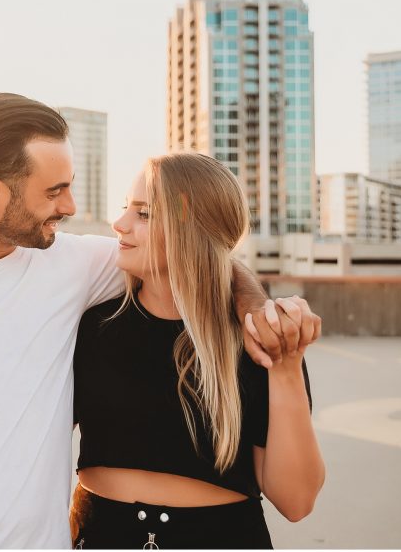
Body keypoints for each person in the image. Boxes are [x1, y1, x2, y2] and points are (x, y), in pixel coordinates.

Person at [0, 93, 318, 549]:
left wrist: (257, 310)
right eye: (54, 191)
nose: (73, 207)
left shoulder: (76, 266)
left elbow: (200, 249)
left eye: (70, 187)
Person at [71, 153, 325, 549]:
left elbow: (296, 501)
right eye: (126, 208)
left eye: (144, 213)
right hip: (101, 535)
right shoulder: (91, 328)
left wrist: (286, 366)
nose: (119, 224)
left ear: (190, 230)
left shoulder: (254, 341)